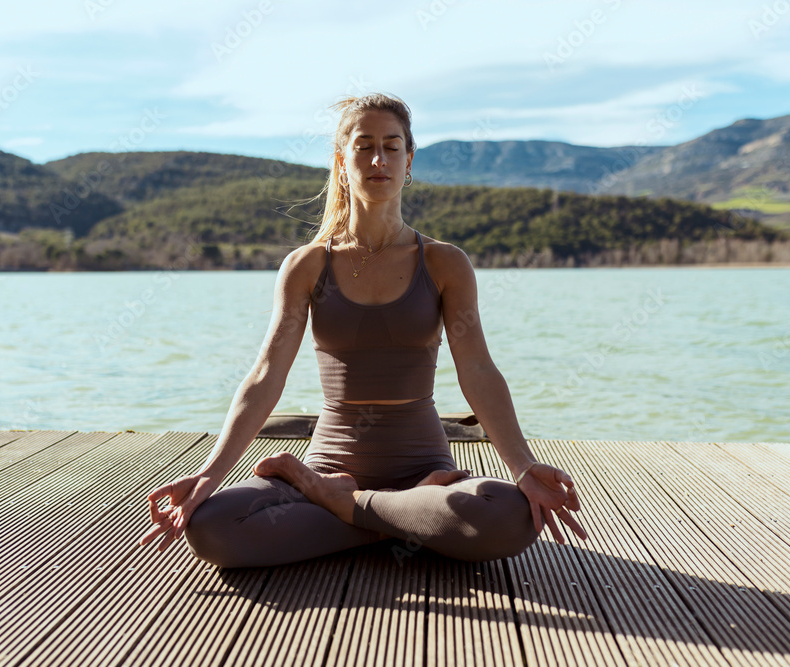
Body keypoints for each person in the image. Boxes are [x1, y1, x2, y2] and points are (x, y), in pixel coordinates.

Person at [137, 93, 587, 567]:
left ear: (408, 160)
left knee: (511, 515)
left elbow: (477, 369)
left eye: (392, 147)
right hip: (330, 467)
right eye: (364, 146)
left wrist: (522, 465)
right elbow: (266, 373)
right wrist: (209, 474)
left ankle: (348, 509)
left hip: (425, 471)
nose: (379, 159)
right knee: (212, 527)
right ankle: (401, 522)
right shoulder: (307, 266)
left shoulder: (444, 263)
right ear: (341, 160)